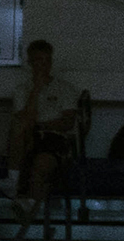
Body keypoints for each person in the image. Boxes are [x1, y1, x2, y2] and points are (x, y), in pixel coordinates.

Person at [9, 39, 82, 220]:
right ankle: (14, 180)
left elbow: (67, 122)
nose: (43, 65)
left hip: (53, 139)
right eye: (38, 60)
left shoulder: (65, 89)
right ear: (30, 63)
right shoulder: (22, 90)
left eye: (46, 60)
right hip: (27, 136)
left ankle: (30, 206)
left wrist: (42, 125)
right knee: (19, 127)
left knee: (41, 163)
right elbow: (24, 120)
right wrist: (36, 90)